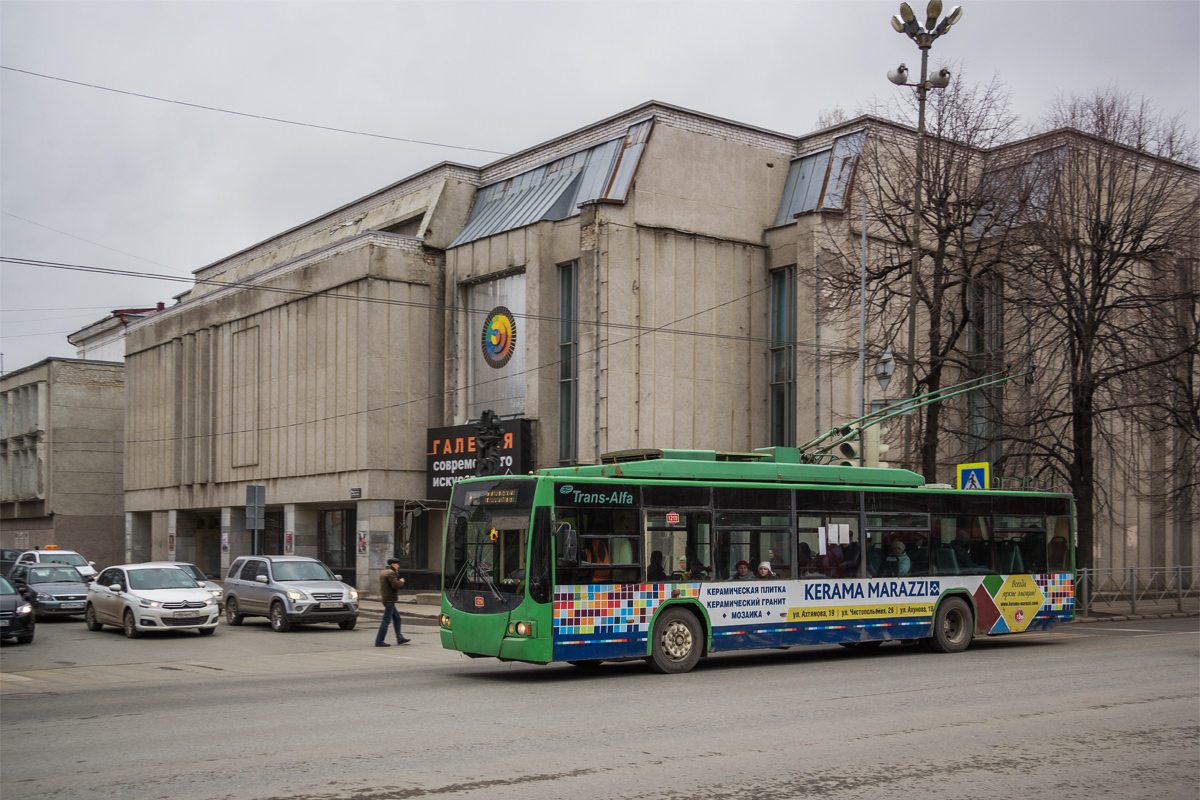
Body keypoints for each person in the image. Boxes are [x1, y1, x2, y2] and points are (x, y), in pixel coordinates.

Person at [375, 558, 410, 647]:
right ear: (392, 564)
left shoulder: (384, 572)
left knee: (397, 618)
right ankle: (379, 640)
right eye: (397, 564)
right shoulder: (390, 573)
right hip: (389, 599)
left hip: (387, 599)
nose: (398, 565)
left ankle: (400, 638)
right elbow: (396, 585)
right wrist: (401, 581)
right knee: (386, 620)